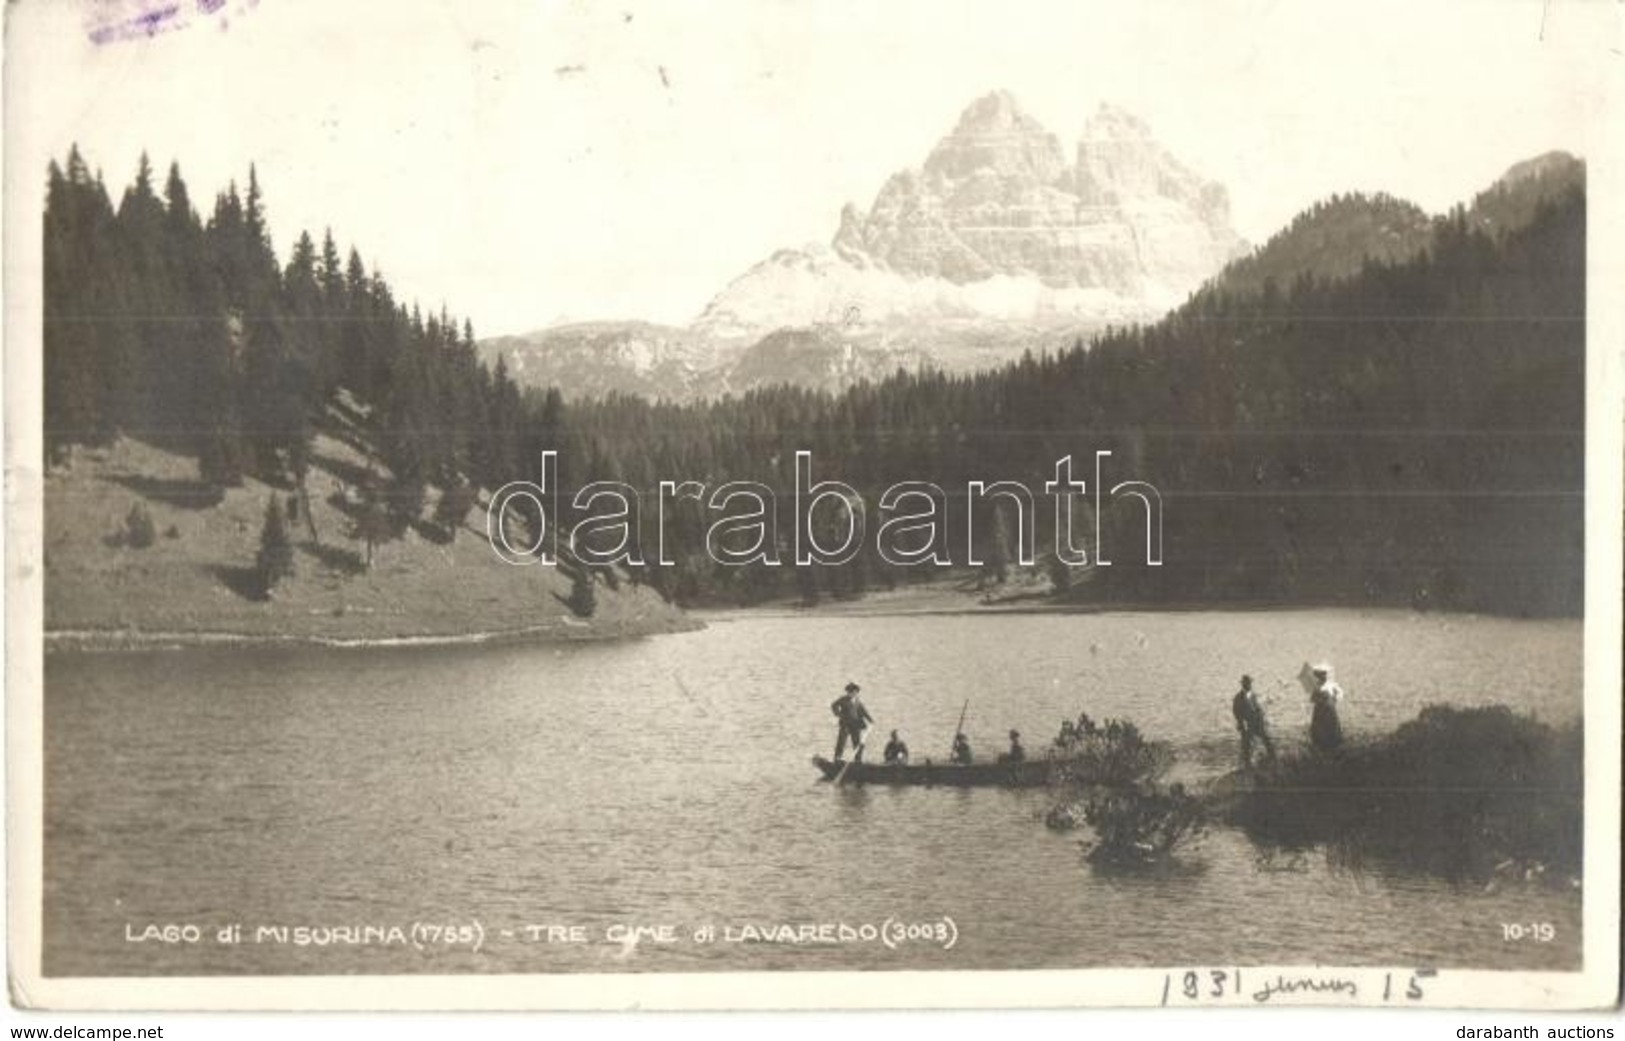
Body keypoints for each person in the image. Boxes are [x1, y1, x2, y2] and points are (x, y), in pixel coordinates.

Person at [1231, 674, 1276, 767]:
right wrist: (1241, 723)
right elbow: (1236, 712)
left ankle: (1272, 758)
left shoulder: (1253, 695)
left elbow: (1257, 707)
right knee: (1247, 744)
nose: (1249, 685)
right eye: (1247, 683)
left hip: (1257, 721)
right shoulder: (1238, 697)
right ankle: (1247, 763)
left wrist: (1261, 714)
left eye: (1250, 683)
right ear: (1243, 684)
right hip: (1246, 723)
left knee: (1266, 739)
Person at [1305, 662, 1344, 753]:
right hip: (1322, 711)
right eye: (1321, 676)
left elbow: (1340, 694)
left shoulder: (1330, 685)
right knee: (1322, 728)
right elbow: (1312, 699)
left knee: (1329, 726)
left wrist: (1335, 698)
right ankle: (1325, 746)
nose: (1323, 677)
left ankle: (1330, 745)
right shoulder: (1318, 687)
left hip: (1327, 710)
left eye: (1324, 675)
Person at [829, 681, 873, 762]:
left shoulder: (857, 701)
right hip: (845, 724)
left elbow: (863, 711)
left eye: (855, 692)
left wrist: (870, 719)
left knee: (857, 743)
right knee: (841, 742)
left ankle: (858, 760)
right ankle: (838, 758)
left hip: (855, 725)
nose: (853, 693)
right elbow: (834, 705)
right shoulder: (843, 699)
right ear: (848, 692)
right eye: (852, 692)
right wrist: (838, 714)